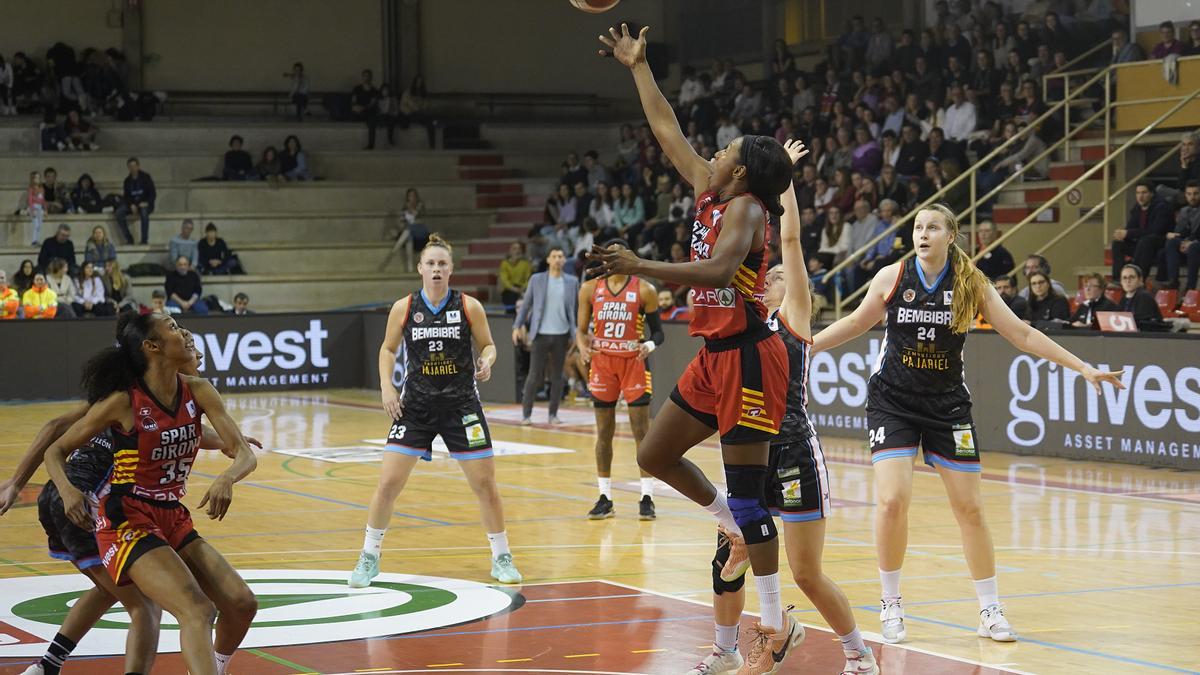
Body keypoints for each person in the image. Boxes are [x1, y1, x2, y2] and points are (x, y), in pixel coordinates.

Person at [812, 203, 1124, 646]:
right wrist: (806, 346)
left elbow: (1022, 334)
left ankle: (990, 610)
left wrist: (1083, 367)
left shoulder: (970, 282)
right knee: (892, 500)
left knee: (971, 509)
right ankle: (890, 602)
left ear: (950, 236)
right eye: (918, 227)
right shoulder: (893, 276)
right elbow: (857, 322)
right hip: (893, 402)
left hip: (946, 406)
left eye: (933, 227)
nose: (923, 234)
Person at [594, 24, 799, 674]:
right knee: (653, 453)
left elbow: (714, 275)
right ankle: (732, 527)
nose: (712, 152)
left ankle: (773, 621)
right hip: (714, 357)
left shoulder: (747, 213)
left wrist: (643, 264)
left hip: (749, 357)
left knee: (748, 494)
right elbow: (666, 129)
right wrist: (638, 67)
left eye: (726, 149)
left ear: (738, 169)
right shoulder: (711, 191)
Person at [691, 140, 878, 675]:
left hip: (793, 449)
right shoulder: (744, 315)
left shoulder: (793, 320)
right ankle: (725, 651)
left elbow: (789, 238)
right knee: (728, 556)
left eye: (777, 276)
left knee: (806, 572)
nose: (770, 276)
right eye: (766, 274)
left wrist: (783, 181)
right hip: (750, 446)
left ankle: (858, 654)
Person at [0, 324, 261, 675]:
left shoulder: (195, 392)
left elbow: (202, 437)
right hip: (110, 507)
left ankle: (49, 664)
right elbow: (55, 439)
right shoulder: (123, 398)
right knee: (162, 607)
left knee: (239, 602)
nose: (190, 344)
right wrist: (26, 484)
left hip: (167, 513)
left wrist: (229, 462)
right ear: (152, 348)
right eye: (177, 331)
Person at [350, 235, 523, 588]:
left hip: (462, 406)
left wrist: (486, 361)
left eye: (443, 264)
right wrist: (386, 386)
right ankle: (369, 557)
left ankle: (501, 557)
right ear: (420, 269)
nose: (437, 269)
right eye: (431, 264)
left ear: (451, 270)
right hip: (415, 407)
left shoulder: (468, 306)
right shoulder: (404, 307)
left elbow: (489, 345)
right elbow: (387, 349)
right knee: (388, 483)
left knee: (485, 485)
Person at [576, 239, 664, 521]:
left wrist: (648, 347)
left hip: (633, 363)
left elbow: (659, 333)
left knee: (642, 432)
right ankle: (605, 496)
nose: (614, 259)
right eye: (609, 255)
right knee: (604, 433)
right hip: (602, 363)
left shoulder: (645, 290)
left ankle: (646, 496)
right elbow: (580, 330)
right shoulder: (589, 289)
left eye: (619, 254)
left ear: (629, 257)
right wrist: (582, 348)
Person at [513, 247, 579, 425]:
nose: (558, 259)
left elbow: (575, 309)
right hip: (540, 334)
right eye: (554, 256)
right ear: (548, 260)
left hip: (562, 334)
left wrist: (577, 333)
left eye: (561, 256)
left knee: (557, 377)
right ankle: (526, 415)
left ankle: (553, 414)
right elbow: (526, 305)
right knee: (534, 376)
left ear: (564, 260)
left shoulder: (572, 282)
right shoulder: (537, 280)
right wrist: (517, 326)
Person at [1111, 182, 1173, 282]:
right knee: (1118, 243)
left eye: (1144, 193)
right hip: (1142, 245)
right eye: (1138, 193)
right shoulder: (1137, 209)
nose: (1140, 196)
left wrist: (1129, 233)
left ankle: (1139, 279)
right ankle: (1118, 279)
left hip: (1160, 243)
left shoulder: (1161, 207)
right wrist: (1122, 234)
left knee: (1146, 240)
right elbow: (1130, 228)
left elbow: (1156, 230)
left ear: (1151, 194)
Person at [1161, 181, 1200, 291]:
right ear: (1185, 195)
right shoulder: (1184, 211)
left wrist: (1192, 242)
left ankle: (1190, 286)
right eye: (1189, 194)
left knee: (1194, 247)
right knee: (1172, 242)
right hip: (1189, 241)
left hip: (1197, 244)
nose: (1192, 197)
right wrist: (1178, 237)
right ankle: (1173, 281)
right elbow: (1182, 231)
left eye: (1196, 193)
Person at [115, 157, 155, 245]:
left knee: (144, 212)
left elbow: (152, 193)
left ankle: (144, 240)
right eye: (130, 166)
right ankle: (129, 238)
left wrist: (146, 202)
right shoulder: (127, 181)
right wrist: (131, 205)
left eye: (134, 166)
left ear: (138, 166)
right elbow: (126, 197)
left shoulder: (146, 177)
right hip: (133, 204)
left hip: (145, 204)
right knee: (119, 213)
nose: (132, 168)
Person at [1116, 264, 1165, 330]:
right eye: (1124, 278)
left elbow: (1142, 321)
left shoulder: (1144, 296)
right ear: (1121, 282)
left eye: (1132, 277)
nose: (1128, 281)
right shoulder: (1123, 298)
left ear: (1140, 280)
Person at [498, 241, 533, 314]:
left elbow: (529, 278)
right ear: (510, 251)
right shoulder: (505, 264)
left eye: (519, 248)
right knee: (511, 297)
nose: (517, 250)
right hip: (510, 289)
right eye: (514, 248)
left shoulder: (526, 264)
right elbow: (504, 280)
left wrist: (523, 288)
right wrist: (514, 289)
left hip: (523, 288)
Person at [28, 171, 46, 246]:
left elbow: (42, 200)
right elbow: (30, 200)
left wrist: (45, 209)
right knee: (35, 225)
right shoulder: (31, 189)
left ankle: (37, 240)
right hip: (34, 207)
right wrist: (32, 209)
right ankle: (33, 240)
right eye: (35, 178)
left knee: (40, 225)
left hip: (40, 207)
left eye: (38, 178)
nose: (37, 179)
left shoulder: (41, 189)